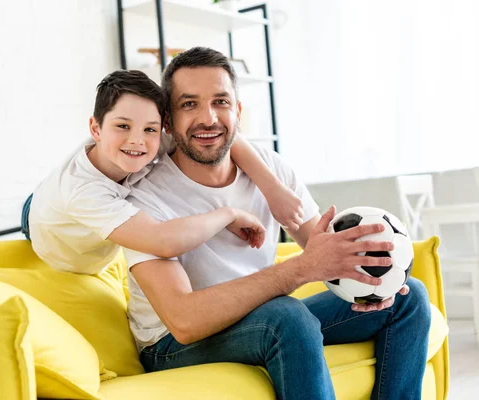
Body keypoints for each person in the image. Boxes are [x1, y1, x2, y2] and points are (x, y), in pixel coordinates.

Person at [122, 47, 432, 400]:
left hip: (260, 318)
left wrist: (369, 279)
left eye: (221, 102)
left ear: (238, 112)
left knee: (409, 298)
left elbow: (323, 249)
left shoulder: (269, 168)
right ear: (168, 119)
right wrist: (300, 269)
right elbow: (184, 321)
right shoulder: (144, 195)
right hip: (171, 343)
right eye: (189, 104)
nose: (207, 118)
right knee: (285, 315)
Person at [22, 69, 304, 275]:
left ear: (163, 126)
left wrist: (274, 190)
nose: (137, 140)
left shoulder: (151, 139)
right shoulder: (83, 192)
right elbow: (163, 241)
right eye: (122, 126)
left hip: (78, 214)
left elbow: (228, 138)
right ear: (95, 129)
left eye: (149, 129)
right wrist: (228, 214)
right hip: (46, 225)